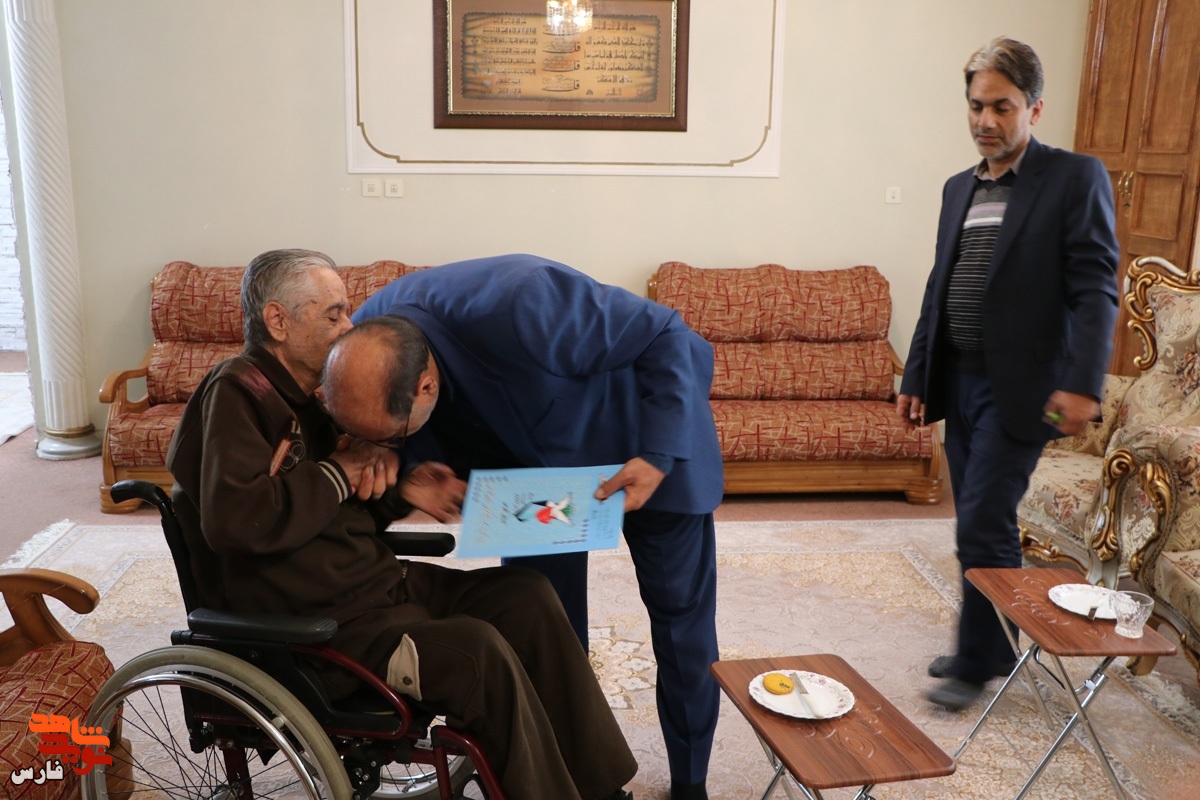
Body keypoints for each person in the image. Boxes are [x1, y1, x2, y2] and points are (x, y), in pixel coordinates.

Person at [165, 248, 637, 800]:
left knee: (526, 595)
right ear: (278, 321)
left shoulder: (313, 399)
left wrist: (402, 492)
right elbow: (236, 520)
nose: (349, 325)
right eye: (334, 314)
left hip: (379, 591)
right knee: (477, 652)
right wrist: (339, 471)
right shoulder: (238, 392)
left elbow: (335, 511)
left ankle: (600, 788)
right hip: (323, 629)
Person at [321, 253, 724, 800]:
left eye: (392, 437)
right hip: (533, 481)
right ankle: (579, 780)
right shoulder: (364, 345)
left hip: (644, 435)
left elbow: (666, 335)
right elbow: (391, 442)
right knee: (543, 625)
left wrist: (658, 455)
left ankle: (691, 781)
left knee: (680, 624)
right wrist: (407, 469)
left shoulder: (527, 303)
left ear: (426, 387)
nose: (384, 448)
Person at [896, 38, 1120, 711]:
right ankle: (991, 645)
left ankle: (977, 660)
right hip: (959, 381)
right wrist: (916, 375)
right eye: (976, 106)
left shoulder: (1074, 177)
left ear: (1034, 108)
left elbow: (1095, 288)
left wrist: (1082, 383)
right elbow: (940, 287)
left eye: (1002, 106)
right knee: (976, 515)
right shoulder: (958, 188)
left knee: (983, 521)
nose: (985, 120)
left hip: (1022, 388)